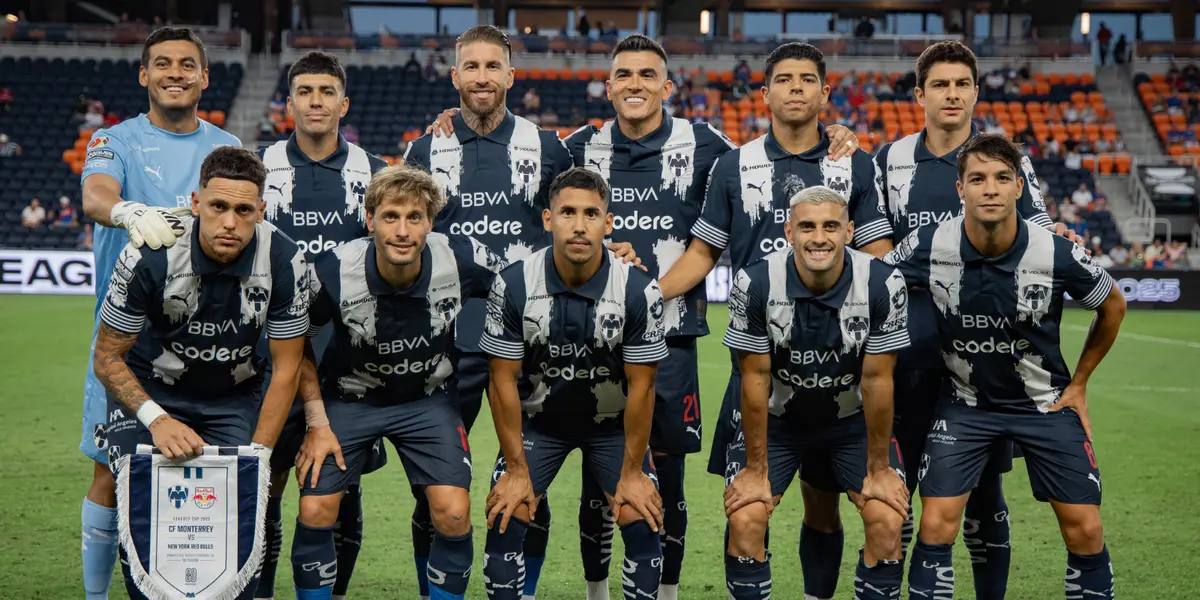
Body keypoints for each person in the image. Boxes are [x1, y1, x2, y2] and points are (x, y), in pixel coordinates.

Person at [403, 26, 637, 597]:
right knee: (434, 487)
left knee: (530, 477)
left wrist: (614, 248)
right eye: (471, 66)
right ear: (454, 76)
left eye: (493, 66)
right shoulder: (425, 150)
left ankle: (523, 589)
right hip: (449, 335)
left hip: (534, 338)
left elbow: (575, 212)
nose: (482, 77)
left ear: (511, 75)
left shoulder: (548, 147)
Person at [654, 42, 892, 600]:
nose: (795, 88)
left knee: (825, 506)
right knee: (747, 504)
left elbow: (879, 256)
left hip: (843, 368)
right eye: (783, 79)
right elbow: (702, 253)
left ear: (824, 93)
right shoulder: (734, 165)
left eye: (807, 79)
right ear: (764, 94)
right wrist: (649, 295)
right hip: (761, 366)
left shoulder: (854, 163)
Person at [884, 134, 1125, 600]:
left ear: (1019, 187)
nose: (990, 189)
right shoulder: (929, 243)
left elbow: (1113, 304)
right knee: (935, 525)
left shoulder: (1055, 250)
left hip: (1045, 404)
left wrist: (1079, 383)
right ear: (961, 189)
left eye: (1001, 178)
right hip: (964, 404)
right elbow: (875, 283)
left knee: (1085, 529)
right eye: (977, 179)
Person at [872, 40, 1055, 599]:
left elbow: (1039, 241)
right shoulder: (890, 160)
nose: (951, 95)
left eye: (961, 85)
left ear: (976, 92)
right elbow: (878, 257)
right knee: (897, 492)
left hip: (985, 355)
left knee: (982, 493)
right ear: (920, 95)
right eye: (940, 85)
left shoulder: (1005, 161)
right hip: (910, 350)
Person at [559, 34, 737, 599]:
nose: (634, 84)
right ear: (608, 87)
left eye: (646, 74)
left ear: (667, 86)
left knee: (667, 474)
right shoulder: (578, 148)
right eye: (624, 75)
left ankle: (667, 593)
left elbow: (769, 161)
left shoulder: (706, 144)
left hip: (671, 336)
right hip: (592, 339)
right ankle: (597, 592)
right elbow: (545, 219)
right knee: (598, 472)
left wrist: (836, 135)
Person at [92, 146, 309, 600]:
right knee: (141, 503)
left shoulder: (285, 259)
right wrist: (158, 420)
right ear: (196, 203)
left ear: (261, 211)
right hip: (151, 391)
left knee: (241, 502)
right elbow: (107, 357)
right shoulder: (149, 253)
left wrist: (259, 455)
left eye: (243, 211)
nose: (230, 222)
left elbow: (288, 367)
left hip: (234, 395)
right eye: (218, 206)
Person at [77, 26, 241, 600]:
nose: (176, 73)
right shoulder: (114, 139)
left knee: (208, 467)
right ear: (145, 74)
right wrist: (128, 211)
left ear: (205, 77)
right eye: (163, 63)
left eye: (187, 64)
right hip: (125, 340)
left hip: (206, 335)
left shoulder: (226, 145)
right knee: (108, 471)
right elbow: (95, 195)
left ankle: (197, 585)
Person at [290, 164, 501, 600]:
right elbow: (295, 342)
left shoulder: (462, 258)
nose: (402, 231)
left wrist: (607, 256)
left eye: (414, 217)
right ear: (370, 221)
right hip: (349, 399)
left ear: (430, 222)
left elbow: (526, 281)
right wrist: (316, 421)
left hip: (428, 400)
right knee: (315, 509)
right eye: (390, 217)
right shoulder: (333, 270)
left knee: (453, 512)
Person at [479, 168, 667, 600]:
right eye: (567, 212)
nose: (579, 225)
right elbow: (501, 380)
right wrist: (515, 470)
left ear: (608, 222)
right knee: (507, 512)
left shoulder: (639, 290)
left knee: (641, 517)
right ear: (548, 219)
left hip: (611, 428)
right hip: (539, 425)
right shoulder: (512, 283)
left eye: (591, 214)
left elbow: (642, 388)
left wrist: (633, 474)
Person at [722, 186, 910, 600]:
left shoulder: (883, 281)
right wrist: (755, 469)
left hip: (850, 424)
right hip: (778, 423)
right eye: (807, 227)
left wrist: (879, 468)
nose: (819, 237)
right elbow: (754, 379)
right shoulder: (755, 281)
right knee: (746, 517)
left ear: (850, 231)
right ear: (789, 232)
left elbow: (878, 381)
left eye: (831, 226)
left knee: (887, 519)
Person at [253, 51, 390, 600]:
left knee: (338, 488)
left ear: (344, 103)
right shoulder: (258, 169)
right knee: (264, 486)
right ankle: (258, 591)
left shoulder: (375, 173)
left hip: (347, 359)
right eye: (305, 91)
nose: (316, 101)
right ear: (288, 103)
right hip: (266, 357)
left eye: (326, 91)